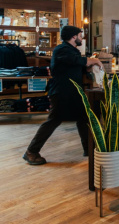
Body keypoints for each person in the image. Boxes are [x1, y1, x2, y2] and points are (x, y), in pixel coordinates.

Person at [23, 26, 102, 165]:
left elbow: (78, 65)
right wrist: (95, 61)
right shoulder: (62, 50)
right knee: (53, 120)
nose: (81, 38)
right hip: (62, 92)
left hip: (73, 92)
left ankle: (89, 149)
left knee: (84, 118)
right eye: (80, 35)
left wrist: (89, 66)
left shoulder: (71, 51)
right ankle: (31, 151)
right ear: (73, 37)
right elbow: (80, 61)